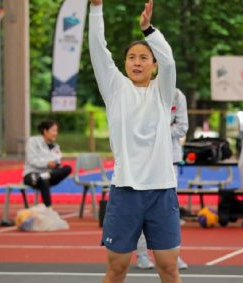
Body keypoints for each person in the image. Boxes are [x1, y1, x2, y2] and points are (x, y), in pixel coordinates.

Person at [89, 0, 182, 282]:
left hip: (161, 191)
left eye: (144, 58)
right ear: (125, 64)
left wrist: (148, 30)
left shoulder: (163, 93)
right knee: (116, 269)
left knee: (169, 268)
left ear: (154, 66)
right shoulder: (115, 89)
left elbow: (170, 60)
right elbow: (97, 50)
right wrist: (95, 9)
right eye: (131, 57)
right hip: (125, 191)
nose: (137, 62)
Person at [136, 89, 189, 270]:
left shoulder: (177, 95)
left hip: (169, 158)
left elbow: (182, 128)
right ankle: (142, 254)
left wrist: (158, 130)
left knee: (168, 210)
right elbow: (138, 127)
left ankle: (172, 254)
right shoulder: (142, 92)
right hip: (143, 158)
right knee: (143, 208)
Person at [23, 121, 72, 208]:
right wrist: (47, 164)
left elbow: (57, 162)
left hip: (50, 175)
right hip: (32, 175)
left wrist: (56, 165)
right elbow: (32, 160)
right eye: (53, 131)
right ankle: (49, 209)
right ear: (45, 131)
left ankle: (44, 175)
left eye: (56, 131)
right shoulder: (33, 141)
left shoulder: (56, 147)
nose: (55, 134)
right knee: (43, 180)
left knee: (67, 168)